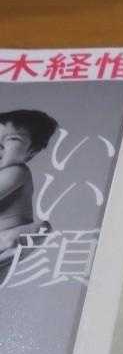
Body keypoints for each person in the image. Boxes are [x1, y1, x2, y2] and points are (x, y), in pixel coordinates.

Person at [0, 109, 57, 267]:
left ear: (31, 152)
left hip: (11, 236)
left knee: (40, 229)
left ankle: (10, 242)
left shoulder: (16, 171)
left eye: (12, 139)